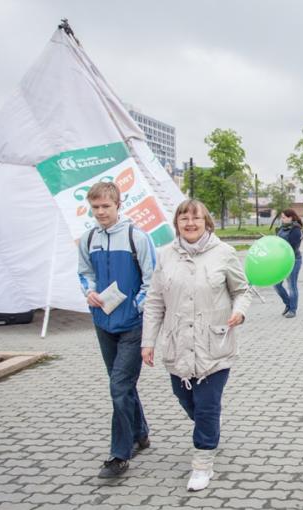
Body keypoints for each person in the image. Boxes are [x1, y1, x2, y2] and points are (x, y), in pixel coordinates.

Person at [140, 200, 251, 491]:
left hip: (215, 344)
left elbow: (242, 290)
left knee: (206, 404)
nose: (190, 223)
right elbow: (154, 301)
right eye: (183, 218)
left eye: (196, 218)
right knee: (185, 398)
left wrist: (240, 310)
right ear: (176, 223)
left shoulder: (224, 253)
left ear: (207, 222)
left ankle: (202, 463)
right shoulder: (165, 256)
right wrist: (148, 342)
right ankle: (209, 425)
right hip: (178, 344)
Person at [78, 181, 156, 478]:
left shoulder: (137, 238)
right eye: (95, 207)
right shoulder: (88, 240)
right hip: (103, 323)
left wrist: (135, 306)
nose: (100, 212)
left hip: (132, 326)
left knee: (118, 387)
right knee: (122, 385)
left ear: (118, 205)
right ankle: (141, 434)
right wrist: (90, 292)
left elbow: (152, 280)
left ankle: (119, 455)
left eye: (105, 206)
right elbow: (84, 273)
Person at [273, 209, 303, 318]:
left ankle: (293, 310)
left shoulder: (296, 230)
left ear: (291, 217)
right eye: (282, 217)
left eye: (284, 217)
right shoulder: (282, 227)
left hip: (294, 260)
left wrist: (280, 246)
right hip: (282, 260)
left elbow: (293, 247)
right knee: (276, 284)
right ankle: (288, 304)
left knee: (292, 285)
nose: (282, 219)